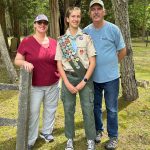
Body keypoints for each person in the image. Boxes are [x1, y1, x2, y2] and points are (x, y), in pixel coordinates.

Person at [83, 0, 126, 149]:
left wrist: (112, 64)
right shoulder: (86, 31)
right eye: (93, 9)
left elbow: (123, 50)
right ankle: (98, 131)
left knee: (112, 109)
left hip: (111, 79)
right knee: (95, 107)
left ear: (104, 12)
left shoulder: (113, 29)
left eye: (98, 9)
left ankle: (113, 137)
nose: (96, 12)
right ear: (90, 13)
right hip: (93, 78)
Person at [14, 14, 60, 150]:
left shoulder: (54, 42)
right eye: (39, 22)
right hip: (35, 85)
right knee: (33, 112)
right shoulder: (26, 42)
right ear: (34, 24)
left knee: (50, 109)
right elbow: (17, 60)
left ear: (47, 25)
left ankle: (47, 132)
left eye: (45, 22)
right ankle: (30, 139)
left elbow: (59, 62)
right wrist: (24, 62)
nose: (42, 25)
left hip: (53, 83)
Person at [55, 7, 96, 150]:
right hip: (68, 78)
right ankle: (69, 140)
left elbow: (93, 62)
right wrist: (66, 82)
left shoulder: (86, 37)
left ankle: (91, 139)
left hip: (85, 78)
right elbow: (59, 64)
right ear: (67, 19)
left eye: (78, 16)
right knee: (68, 110)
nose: (75, 19)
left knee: (88, 109)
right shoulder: (61, 41)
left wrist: (84, 81)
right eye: (72, 16)